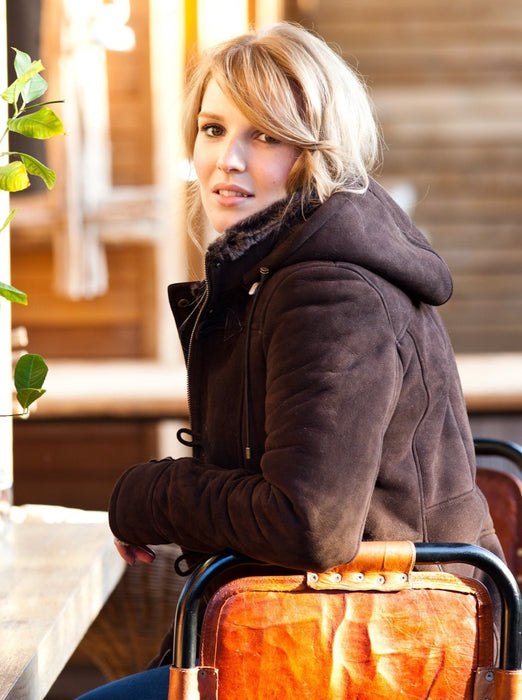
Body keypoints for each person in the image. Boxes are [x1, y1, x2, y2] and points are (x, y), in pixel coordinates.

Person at [76, 20, 504, 699]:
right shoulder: (282, 272)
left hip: (380, 647)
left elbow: (309, 523)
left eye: (265, 135)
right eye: (213, 129)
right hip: (316, 627)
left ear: (315, 153)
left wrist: (151, 496)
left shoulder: (328, 292)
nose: (228, 160)